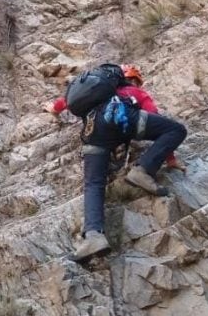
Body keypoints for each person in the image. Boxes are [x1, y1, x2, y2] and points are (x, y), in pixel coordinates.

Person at [44, 64, 188, 261]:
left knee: (94, 184)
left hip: (93, 131)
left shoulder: (93, 94)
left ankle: (94, 236)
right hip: (123, 119)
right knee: (176, 130)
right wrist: (170, 159)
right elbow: (154, 115)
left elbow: (63, 103)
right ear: (134, 80)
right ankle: (142, 170)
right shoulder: (134, 91)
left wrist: (53, 109)